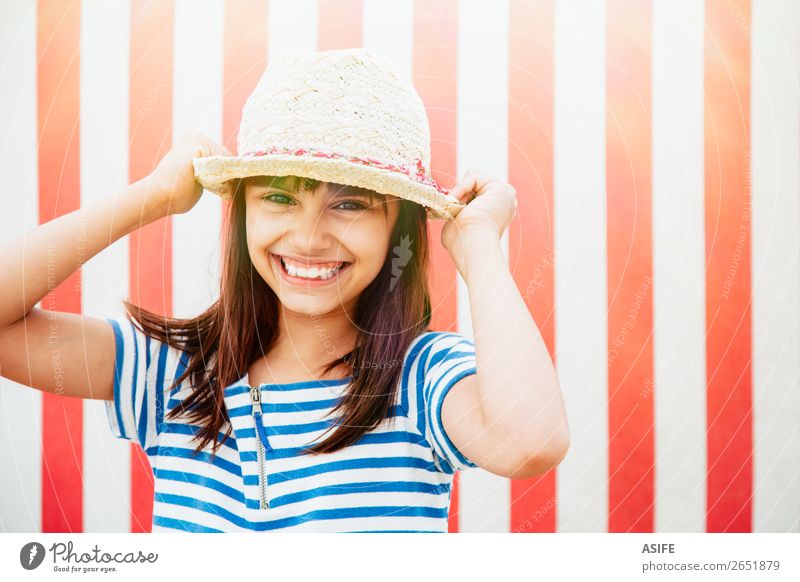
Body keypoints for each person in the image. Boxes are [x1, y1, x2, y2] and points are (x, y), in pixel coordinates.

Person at [0, 48, 569, 532]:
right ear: (242, 210)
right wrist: (152, 196)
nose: (308, 236)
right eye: (278, 197)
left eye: (349, 203)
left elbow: (531, 442)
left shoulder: (421, 382)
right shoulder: (172, 373)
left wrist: (477, 245)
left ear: (398, 227)